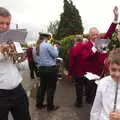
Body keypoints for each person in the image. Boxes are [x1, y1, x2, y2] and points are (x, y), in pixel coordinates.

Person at [68, 6, 119, 106]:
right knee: (91, 97)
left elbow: (109, 32)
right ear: (89, 35)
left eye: (97, 34)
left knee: (96, 96)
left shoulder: (101, 42)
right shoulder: (84, 45)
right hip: (89, 75)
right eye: (93, 34)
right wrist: (95, 48)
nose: (95, 36)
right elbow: (86, 57)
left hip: (100, 73)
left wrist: (115, 18)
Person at [0, 7, 31, 120]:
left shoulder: (13, 40)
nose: (4, 27)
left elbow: (22, 67)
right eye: (1, 23)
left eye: (7, 24)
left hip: (18, 89)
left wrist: (22, 58)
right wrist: (2, 51)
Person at [90, 48, 120, 120]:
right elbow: (96, 109)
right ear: (108, 66)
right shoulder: (103, 82)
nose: (117, 74)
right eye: (113, 69)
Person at [34, 32, 59, 111]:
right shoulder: (48, 45)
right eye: (49, 37)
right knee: (50, 88)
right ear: (46, 38)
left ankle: (39, 104)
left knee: (42, 87)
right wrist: (55, 47)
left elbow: (35, 60)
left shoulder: (35, 47)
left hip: (41, 69)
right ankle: (50, 106)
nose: (49, 39)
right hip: (50, 69)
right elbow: (56, 55)